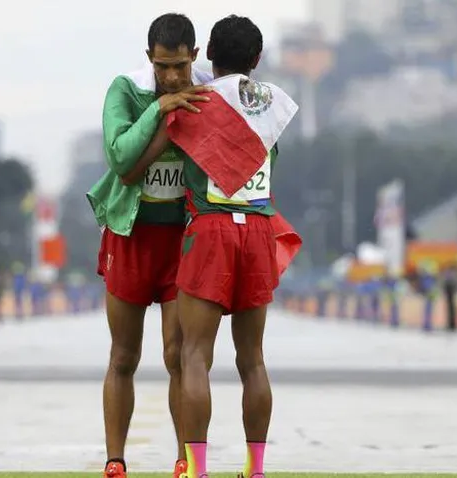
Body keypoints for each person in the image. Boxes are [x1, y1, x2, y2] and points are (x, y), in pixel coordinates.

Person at [166, 15, 299, 477]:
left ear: (207, 55)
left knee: (194, 355)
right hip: (259, 230)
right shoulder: (273, 105)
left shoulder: (195, 103)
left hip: (211, 229)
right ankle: (255, 469)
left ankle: (198, 470)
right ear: (257, 59)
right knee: (253, 360)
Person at [85, 12, 213, 478]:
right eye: (162, 67)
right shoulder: (126, 90)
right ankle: (115, 460)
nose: (173, 77)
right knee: (124, 355)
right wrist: (160, 109)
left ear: (194, 56)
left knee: (178, 355)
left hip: (182, 241)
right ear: (149, 59)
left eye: (180, 66)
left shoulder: (209, 92)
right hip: (130, 237)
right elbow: (120, 157)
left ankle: (184, 459)